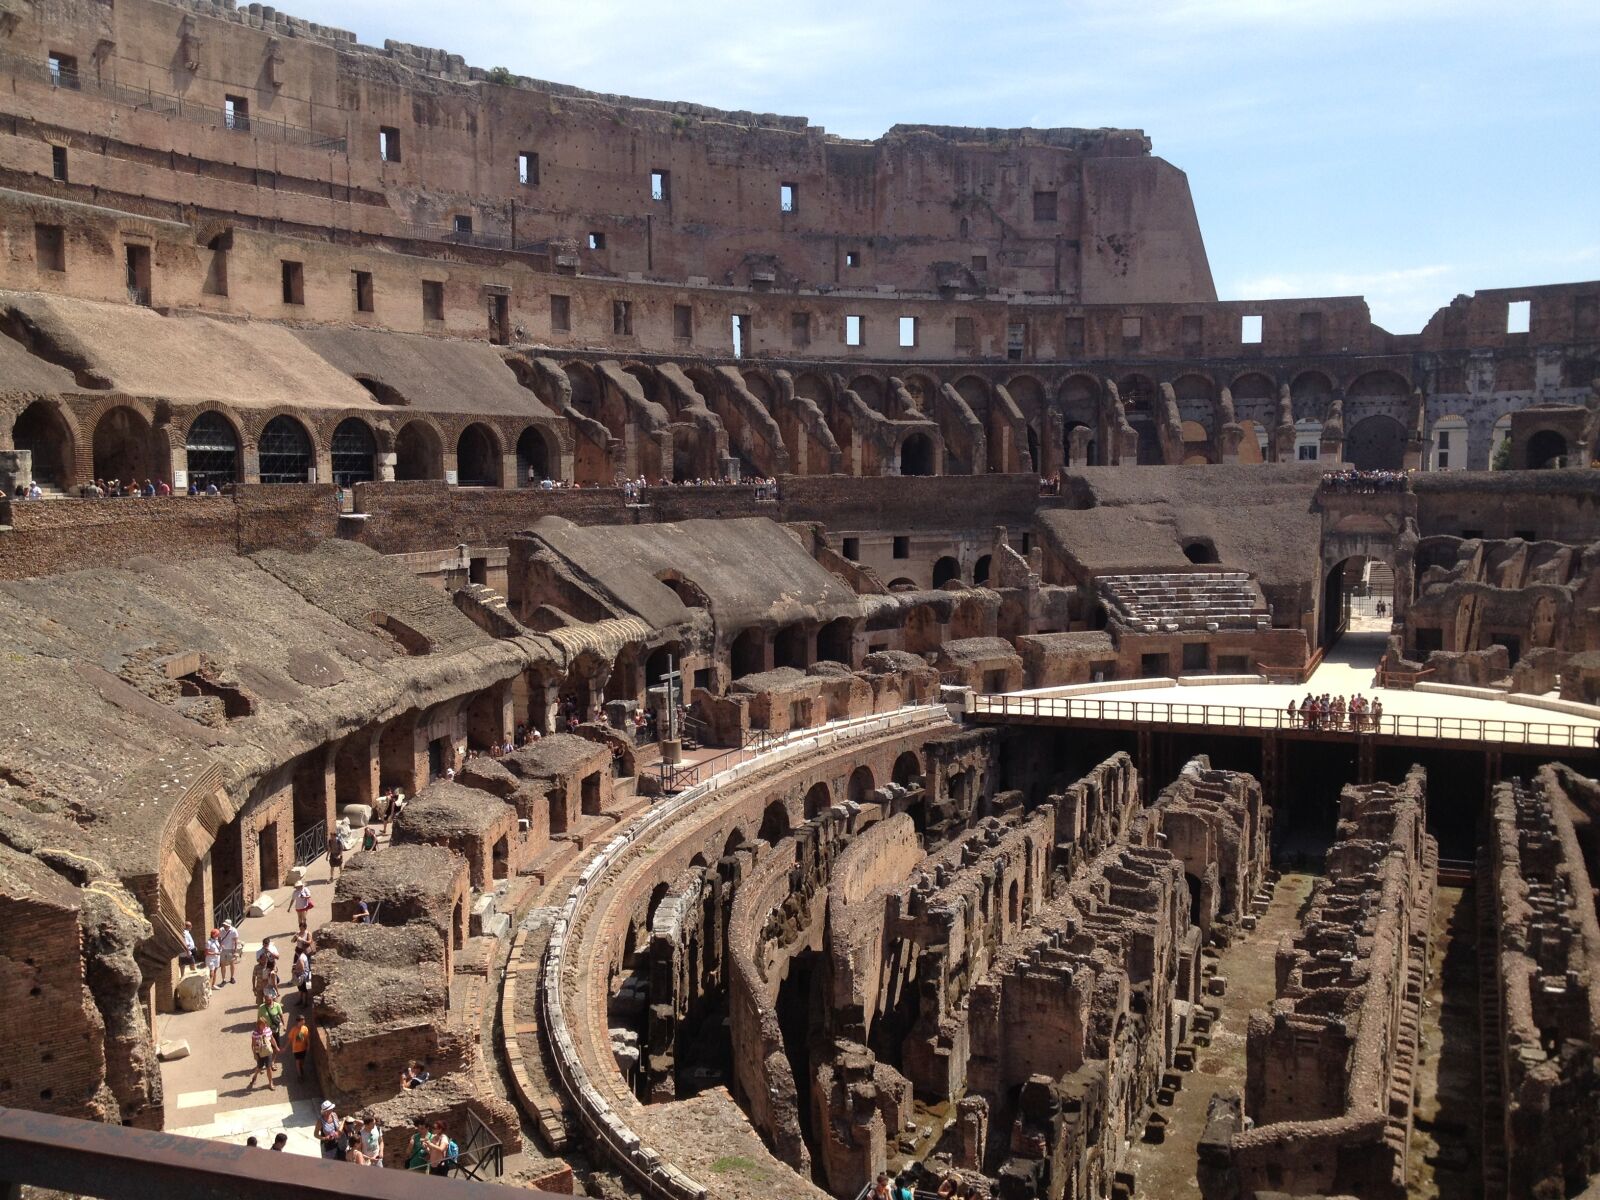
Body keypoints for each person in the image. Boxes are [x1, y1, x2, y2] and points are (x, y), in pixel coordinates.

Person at [247, 1016, 278, 1090]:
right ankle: (254, 1077)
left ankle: (270, 1083)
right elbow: (253, 1044)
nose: (264, 1026)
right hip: (259, 1053)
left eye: (265, 1024)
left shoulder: (268, 1030)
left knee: (268, 1067)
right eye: (262, 1024)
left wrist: (276, 1047)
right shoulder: (255, 1033)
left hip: (268, 1052)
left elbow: (272, 1039)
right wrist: (254, 1054)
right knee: (259, 1067)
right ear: (259, 1025)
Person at [288, 1013, 311, 1078]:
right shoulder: (293, 1029)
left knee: (302, 1061)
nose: (304, 1021)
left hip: (303, 1048)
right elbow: (290, 1039)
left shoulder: (305, 1028)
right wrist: (285, 1047)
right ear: (298, 1021)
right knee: (297, 1061)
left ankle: (301, 1068)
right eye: (302, 1020)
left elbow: (307, 1038)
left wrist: (308, 1046)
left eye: (304, 1020)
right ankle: (299, 1075)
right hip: (296, 1049)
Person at [292, 940, 313, 1009]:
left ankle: (305, 1003)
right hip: (303, 975)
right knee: (301, 989)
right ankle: (301, 1001)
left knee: (303, 990)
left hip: (302, 976)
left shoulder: (300, 958)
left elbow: (302, 969)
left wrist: (295, 970)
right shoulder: (303, 955)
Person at [218, 919, 240, 986]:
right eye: (224, 925)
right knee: (222, 965)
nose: (224, 926)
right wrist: (220, 944)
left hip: (230, 949)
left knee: (232, 964)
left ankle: (232, 977)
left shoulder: (234, 930)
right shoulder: (221, 929)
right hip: (223, 950)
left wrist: (235, 950)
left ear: (229, 925)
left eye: (226, 925)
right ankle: (223, 979)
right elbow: (219, 938)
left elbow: (236, 940)